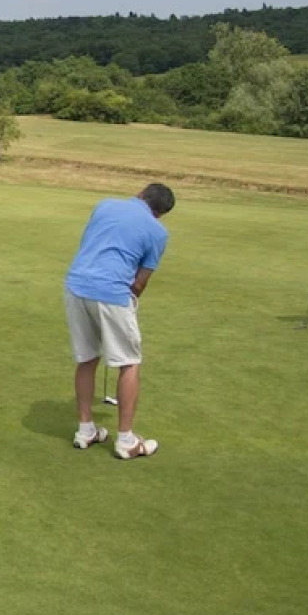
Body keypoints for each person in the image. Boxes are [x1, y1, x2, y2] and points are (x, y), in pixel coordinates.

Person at [63, 183, 175, 460]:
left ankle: (85, 430)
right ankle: (126, 440)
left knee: (87, 358)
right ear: (160, 213)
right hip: (111, 293)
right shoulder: (158, 232)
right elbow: (139, 283)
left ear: (140, 194)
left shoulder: (105, 205)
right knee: (129, 361)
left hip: (75, 286)